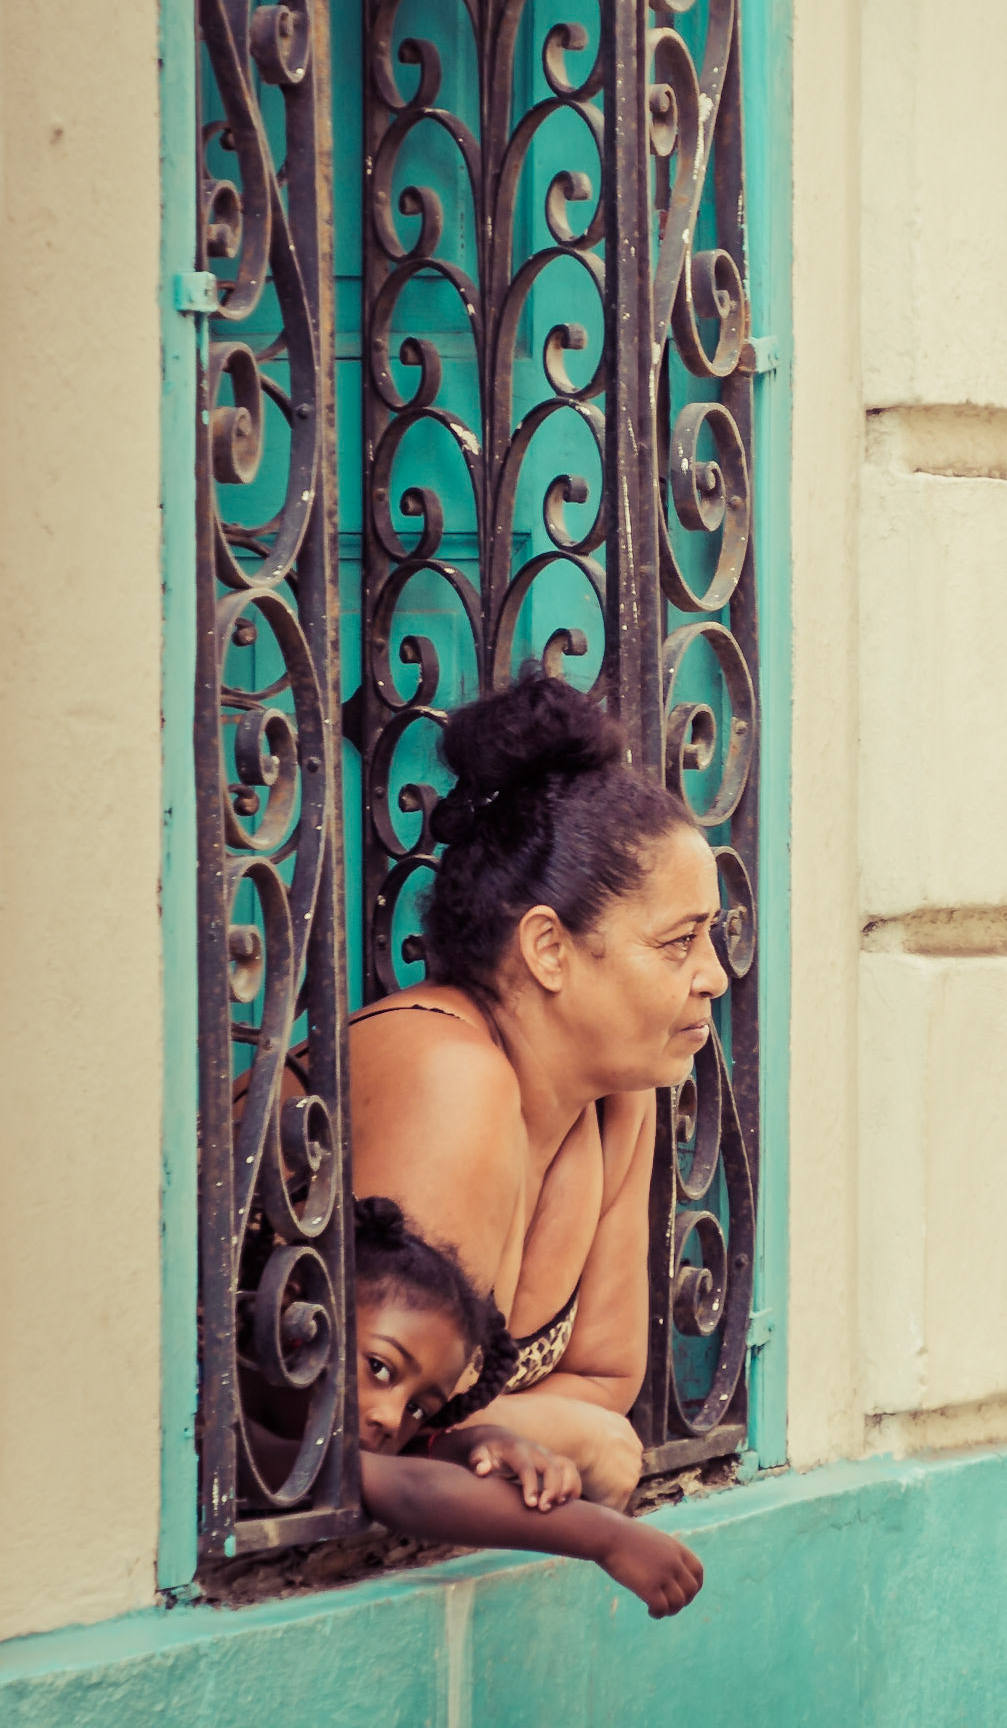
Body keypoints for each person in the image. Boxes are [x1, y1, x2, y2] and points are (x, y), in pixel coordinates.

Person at [347, 673, 728, 1504]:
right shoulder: (451, 1076)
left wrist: (565, 1434)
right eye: (678, 942)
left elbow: (602, 1383)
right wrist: (571, 1438)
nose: (716, 976)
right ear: (548, 948)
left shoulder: (619, 1102)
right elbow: (377, 1434)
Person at [336, 1197, 703, 1616]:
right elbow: (409, 1490)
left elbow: (412, 1458)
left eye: (417, 1409)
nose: (389, 1418)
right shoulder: (262, 1451)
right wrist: (605, 1537)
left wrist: (481, 1441)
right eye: (380, 1369)